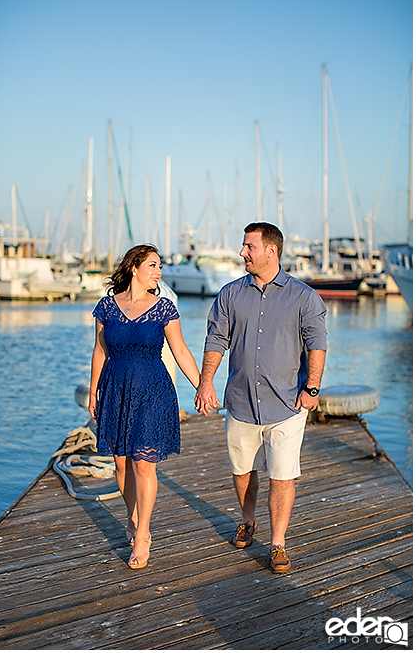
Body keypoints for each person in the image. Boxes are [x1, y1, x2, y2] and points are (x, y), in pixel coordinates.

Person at [194, 222, 327, 574]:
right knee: (242, 472)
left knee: (282, 475)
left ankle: (278, 542)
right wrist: (205, 383)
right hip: (239, 402)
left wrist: (311, 389)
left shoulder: (303, 296)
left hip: (287, 404)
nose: (242, 253)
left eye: (248, 246)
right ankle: (247, 520)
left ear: (272, 250)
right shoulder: (229, 294)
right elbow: (215, 340)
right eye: (243, 246)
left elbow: (317, 345)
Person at [89, 244, 201, 569]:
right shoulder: (107, 307)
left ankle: (143, 535)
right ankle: (132, 516)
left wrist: (202, 386)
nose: (159, 272)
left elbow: (180, 350)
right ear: (134, 267)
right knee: (121, 464)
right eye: (153, 265)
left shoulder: (163, 308)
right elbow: (99, 352)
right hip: (116, 388)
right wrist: (94, 392)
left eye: (160, 267)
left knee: (143, 464)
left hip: (153, 389)